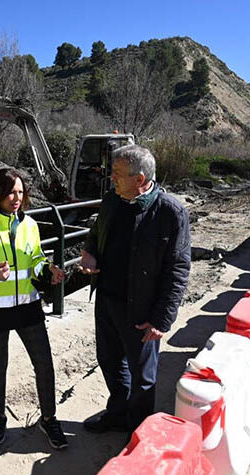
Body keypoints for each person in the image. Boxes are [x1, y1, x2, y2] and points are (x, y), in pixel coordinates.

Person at [78, 145, 191, 435]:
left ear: (139, 179)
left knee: (143, 376)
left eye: (117, 174)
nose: (111, 178)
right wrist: (90, 253)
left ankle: (138, 431)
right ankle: (117, 413)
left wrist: (162, 319)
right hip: (107, 299)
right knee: (110, 362)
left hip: (142, 309)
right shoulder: (112, 200)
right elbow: (96, 233)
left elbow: (178, 269)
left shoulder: (170, 212)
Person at [0, 168, 68, 449]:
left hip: (28, 307)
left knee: (44, 363)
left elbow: (35, 260)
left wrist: (48, 271)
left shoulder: (30, 225)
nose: (16, 198)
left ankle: (49, 418)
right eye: (10, 193)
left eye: (20, 192)